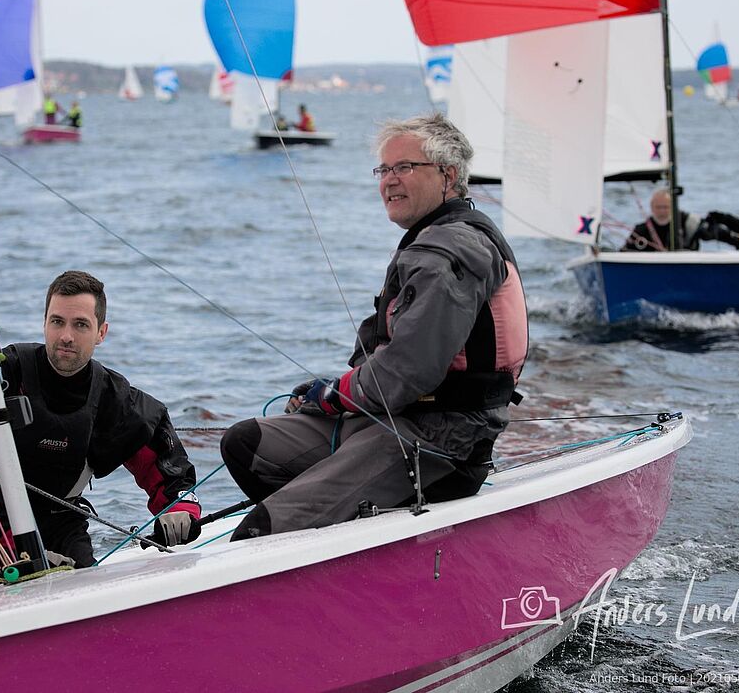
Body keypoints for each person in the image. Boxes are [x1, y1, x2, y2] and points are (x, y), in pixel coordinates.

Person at [220, 113, 528, 541]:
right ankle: (346, 536)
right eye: (383, 169)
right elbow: (384, 355)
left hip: (439, 440)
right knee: (247, 444)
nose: (389, 180)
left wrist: (334, 396)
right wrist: (329, 393)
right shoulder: (429, 240)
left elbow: (410, 369)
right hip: (393, 417)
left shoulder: (451, 249)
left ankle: (311, 540)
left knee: (260, 530)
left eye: (404, 167)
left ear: (448, 175)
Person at [0, 270, 201, 591]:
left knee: (85, 592)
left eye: (80, 325)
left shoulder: (112, 397)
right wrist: (24, 554)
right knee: (27, 584)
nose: (66, 336)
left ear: (101, 332)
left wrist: (178, 508)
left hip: (60, 524)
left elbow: (165, 463)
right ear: (44, 323)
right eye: (57, 322)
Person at [621, 190, 701, 251]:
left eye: (665, 207)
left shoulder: (686, 223)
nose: (662, 211)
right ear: (652, 207)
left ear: (672, 207)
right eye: (659, 207)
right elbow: (624, 252)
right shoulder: (640, 231)